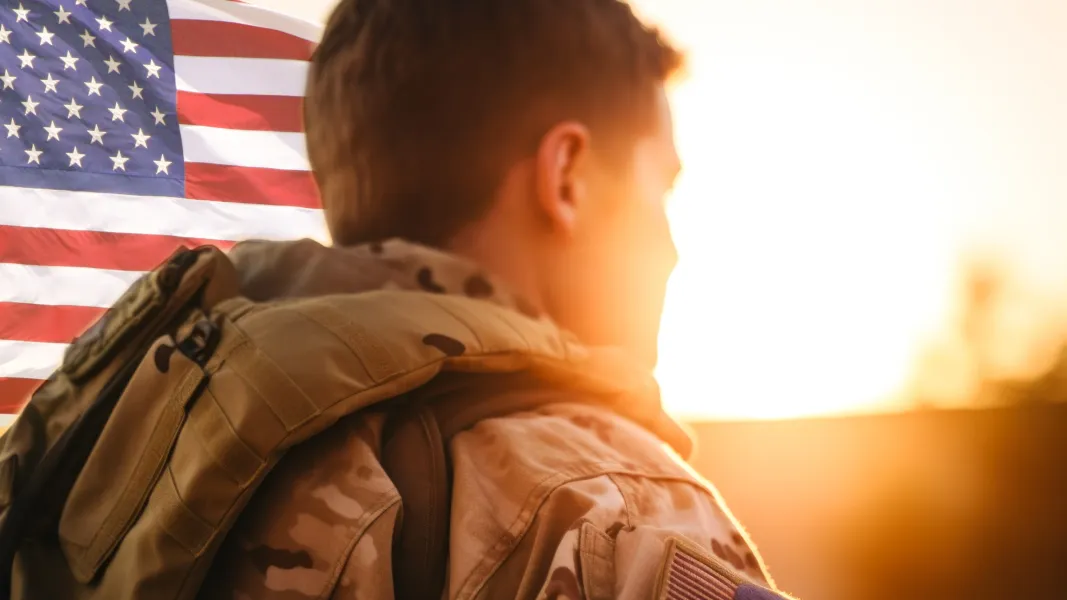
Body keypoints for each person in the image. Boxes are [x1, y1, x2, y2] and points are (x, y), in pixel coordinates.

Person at [197, 0, 789, 598]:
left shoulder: (196, 439)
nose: (671, 248)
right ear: (567, 178)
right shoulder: (623, 515)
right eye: (660, 188)